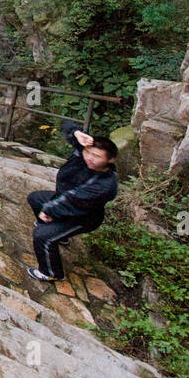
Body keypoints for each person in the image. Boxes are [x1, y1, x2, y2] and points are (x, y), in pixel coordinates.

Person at [25, 119, 119, 283]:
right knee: (35, 198)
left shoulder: (105, 184)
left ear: (110, 160)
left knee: (42, 236)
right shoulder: (84, 153)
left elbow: (73, 199)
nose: (89, 158)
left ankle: (52, 273)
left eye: (96, 156)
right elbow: (66, 125)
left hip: (83, 217)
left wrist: (48, 210)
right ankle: (60, 236)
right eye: (88, 152)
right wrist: (77, 133)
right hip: (62, 199)